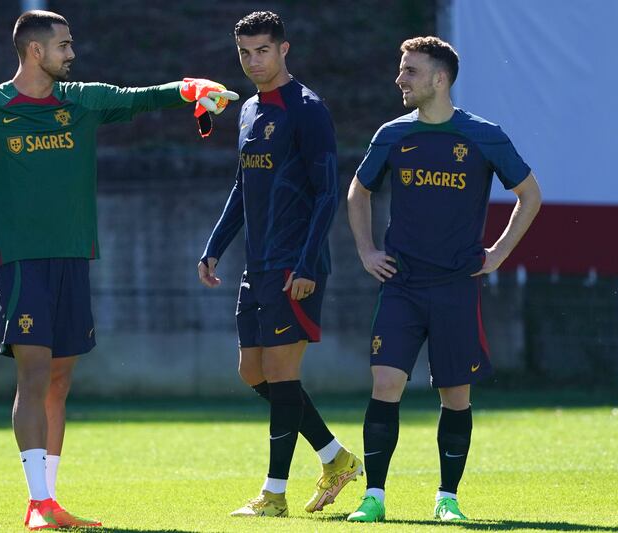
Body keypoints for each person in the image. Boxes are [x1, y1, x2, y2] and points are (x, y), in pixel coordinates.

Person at [0, 10, 237, 530]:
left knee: (60, 378)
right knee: (32, 373)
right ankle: (37, 503)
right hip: (20, 262)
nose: (71, 54)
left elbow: (140, 97)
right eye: (64, 45)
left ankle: (50, 501)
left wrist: (189, 88)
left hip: (73, 258)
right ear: (35, 51)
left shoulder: (83, 100)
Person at [345, 36, 542, 523]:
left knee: (455, 394)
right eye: (401, 68)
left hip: (456, 286)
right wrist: (367, 250)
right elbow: (358, 190)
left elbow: (529, 194)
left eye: (410, 70)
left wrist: (497, 253)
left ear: (439, 79)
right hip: (403, 285)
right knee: (385, 381)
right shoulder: (391, 134)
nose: (400, 78)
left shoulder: (483, 134)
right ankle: (374, 496)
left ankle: (447, 498)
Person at [197, 11, 362, 518]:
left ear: (284, 50)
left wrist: (308, 263)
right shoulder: (248, 110)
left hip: (297, 264)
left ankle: (273, 494)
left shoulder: (308, 109)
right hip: (258, 264)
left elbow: (327, 192)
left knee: (283, 373)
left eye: (262, 50)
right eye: (245, 52)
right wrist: (214, 246)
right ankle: (336, 458)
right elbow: (242, 187)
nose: (253, 61)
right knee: (253, 372)